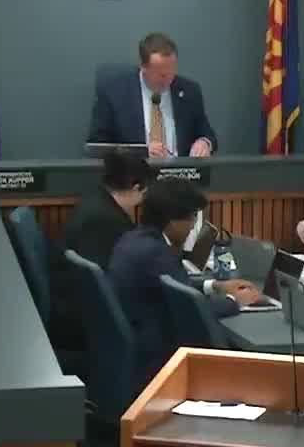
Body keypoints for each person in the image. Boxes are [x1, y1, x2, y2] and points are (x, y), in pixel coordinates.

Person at [107, 180, 259, 391]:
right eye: (192, 218)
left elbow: (176, 286)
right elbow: (191, 310)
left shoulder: (134, 239)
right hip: (158, 354)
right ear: (173, 221)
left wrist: (215, 285)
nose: (192, 226)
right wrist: (234, 301)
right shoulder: (156, 253)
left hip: (136, 344)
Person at [52, 148, 155, 348]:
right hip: (83, 322)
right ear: (136, 188)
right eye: (144, 193)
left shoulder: (96, 201)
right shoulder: (105, 221)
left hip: (75, 310)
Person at [87, 32, 217, 158]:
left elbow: (207, 133)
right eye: (161, 75)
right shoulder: (114, 93)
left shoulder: (189, 91)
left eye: (172, 71)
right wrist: (141, 153)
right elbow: (97, 147)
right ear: (143, 66)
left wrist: (204, 143)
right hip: (135, 171)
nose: (169, 79)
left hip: (180, 171)